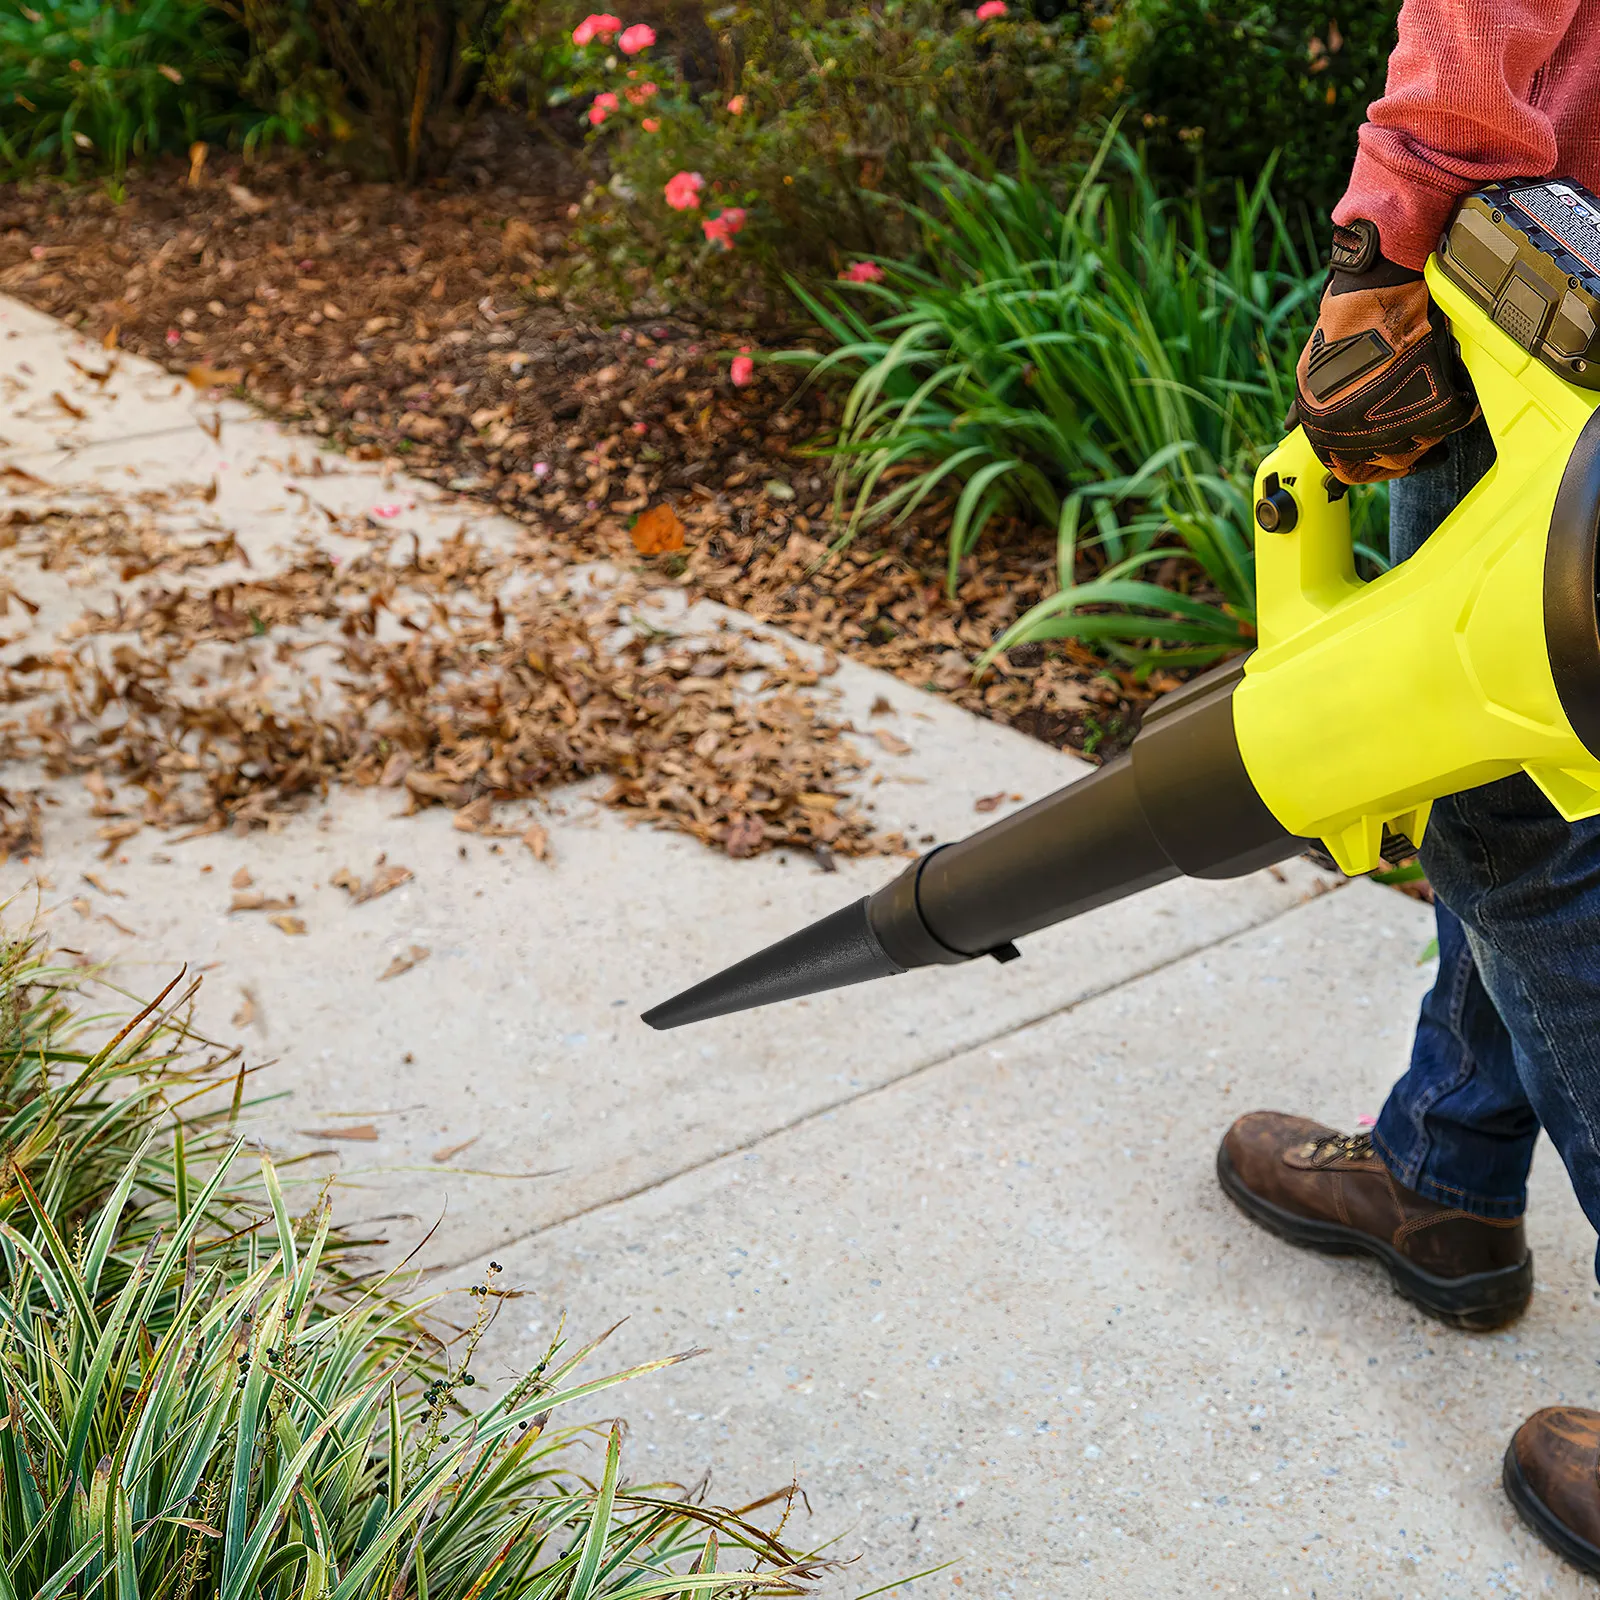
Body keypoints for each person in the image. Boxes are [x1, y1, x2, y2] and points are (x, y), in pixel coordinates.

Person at [1213, 0, 1600, 1575]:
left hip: (1552, 311)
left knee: (1515, 822)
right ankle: (1446, 1171)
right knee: (1500, 771)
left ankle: (1448, 1173)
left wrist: (1383, 242)